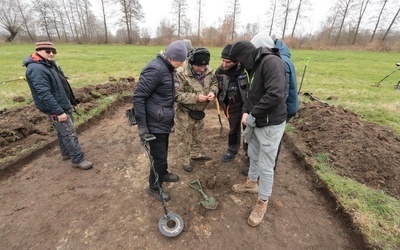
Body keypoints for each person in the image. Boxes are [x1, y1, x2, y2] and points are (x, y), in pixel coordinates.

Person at [229, 40, 287, 227]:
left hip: (271, 124)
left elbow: (275, 94)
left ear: (244, 56)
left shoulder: (271, 62)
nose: (239, 65)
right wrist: (246, 111)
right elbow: (252, 95)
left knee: (266, 165)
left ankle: (263, 202)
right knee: (252, 154)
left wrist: (253, 114)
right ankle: (251, 183)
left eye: (238, 61)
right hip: (257, 122)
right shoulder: (254, 66)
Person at [23, 40, 93, 170]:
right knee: (69, 133)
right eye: (48, 51)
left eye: (53, 52)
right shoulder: (36, 69)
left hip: (62, 104)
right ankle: (78, 159)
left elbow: (62, 85)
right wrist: (59, 112)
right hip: (56, 108)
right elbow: (44, 94)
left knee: (63, 132)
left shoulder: (48, 64)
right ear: (38, 51)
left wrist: (70, 102)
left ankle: (66, 153)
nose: (51, 54)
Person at [133, 40, 187, 202]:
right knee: (158, 157)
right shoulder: (156, 69)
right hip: (153, 123)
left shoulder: (167, 68)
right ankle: (154, 187)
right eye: (181, 60)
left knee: (163, 152)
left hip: (162, 120)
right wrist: (143, 127)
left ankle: (163, 174)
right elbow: (138, 97)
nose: (182, 63)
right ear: (171, 57)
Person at [249, 32, 300, 172]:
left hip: (284, 109)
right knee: (271, 141)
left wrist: (262, 113)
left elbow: (279, 93)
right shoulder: (276, 58)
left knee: (272, 143)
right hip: (282, 106)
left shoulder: (277, 62)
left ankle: (269, 169)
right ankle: (262, 168)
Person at [174, 47, 218, 172]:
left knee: (198, 135)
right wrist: (196, 98)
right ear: (192, 63)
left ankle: (196, 154)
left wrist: (212, 92)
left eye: (204, 66)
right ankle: (185, 161)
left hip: (200, 112)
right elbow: (176, 95)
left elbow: (215, 84)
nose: (202, 69)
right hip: (185, 113)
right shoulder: (180, 73)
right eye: (199, 66)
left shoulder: (209, 71)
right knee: (184, 138)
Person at [215, 44, 248, 162]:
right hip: (231, 106)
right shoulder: (219, 72)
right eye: (223, 61)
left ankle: (249, 153)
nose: (224, 64)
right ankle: (232, 150)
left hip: (246, 105)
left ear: (236, 61)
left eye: (228, 62)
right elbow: (216, 88)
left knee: (248, 130)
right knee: (233, 129)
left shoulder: (245, 70)